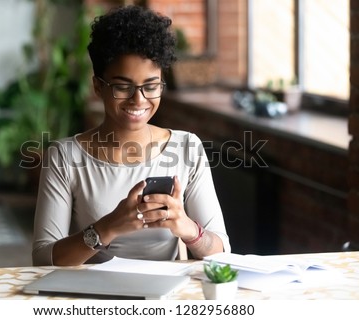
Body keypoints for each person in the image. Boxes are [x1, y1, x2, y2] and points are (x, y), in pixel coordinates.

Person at [32, 5, 230, 266]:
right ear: (98, 87)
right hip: (93, 299)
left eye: (151, 86)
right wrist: (107, 228)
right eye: (123, 86)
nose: (139, 99)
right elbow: (43, 259)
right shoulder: (64, 157)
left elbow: (222, 253)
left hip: (164, 299)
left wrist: (188, 229)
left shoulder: (187, 148)